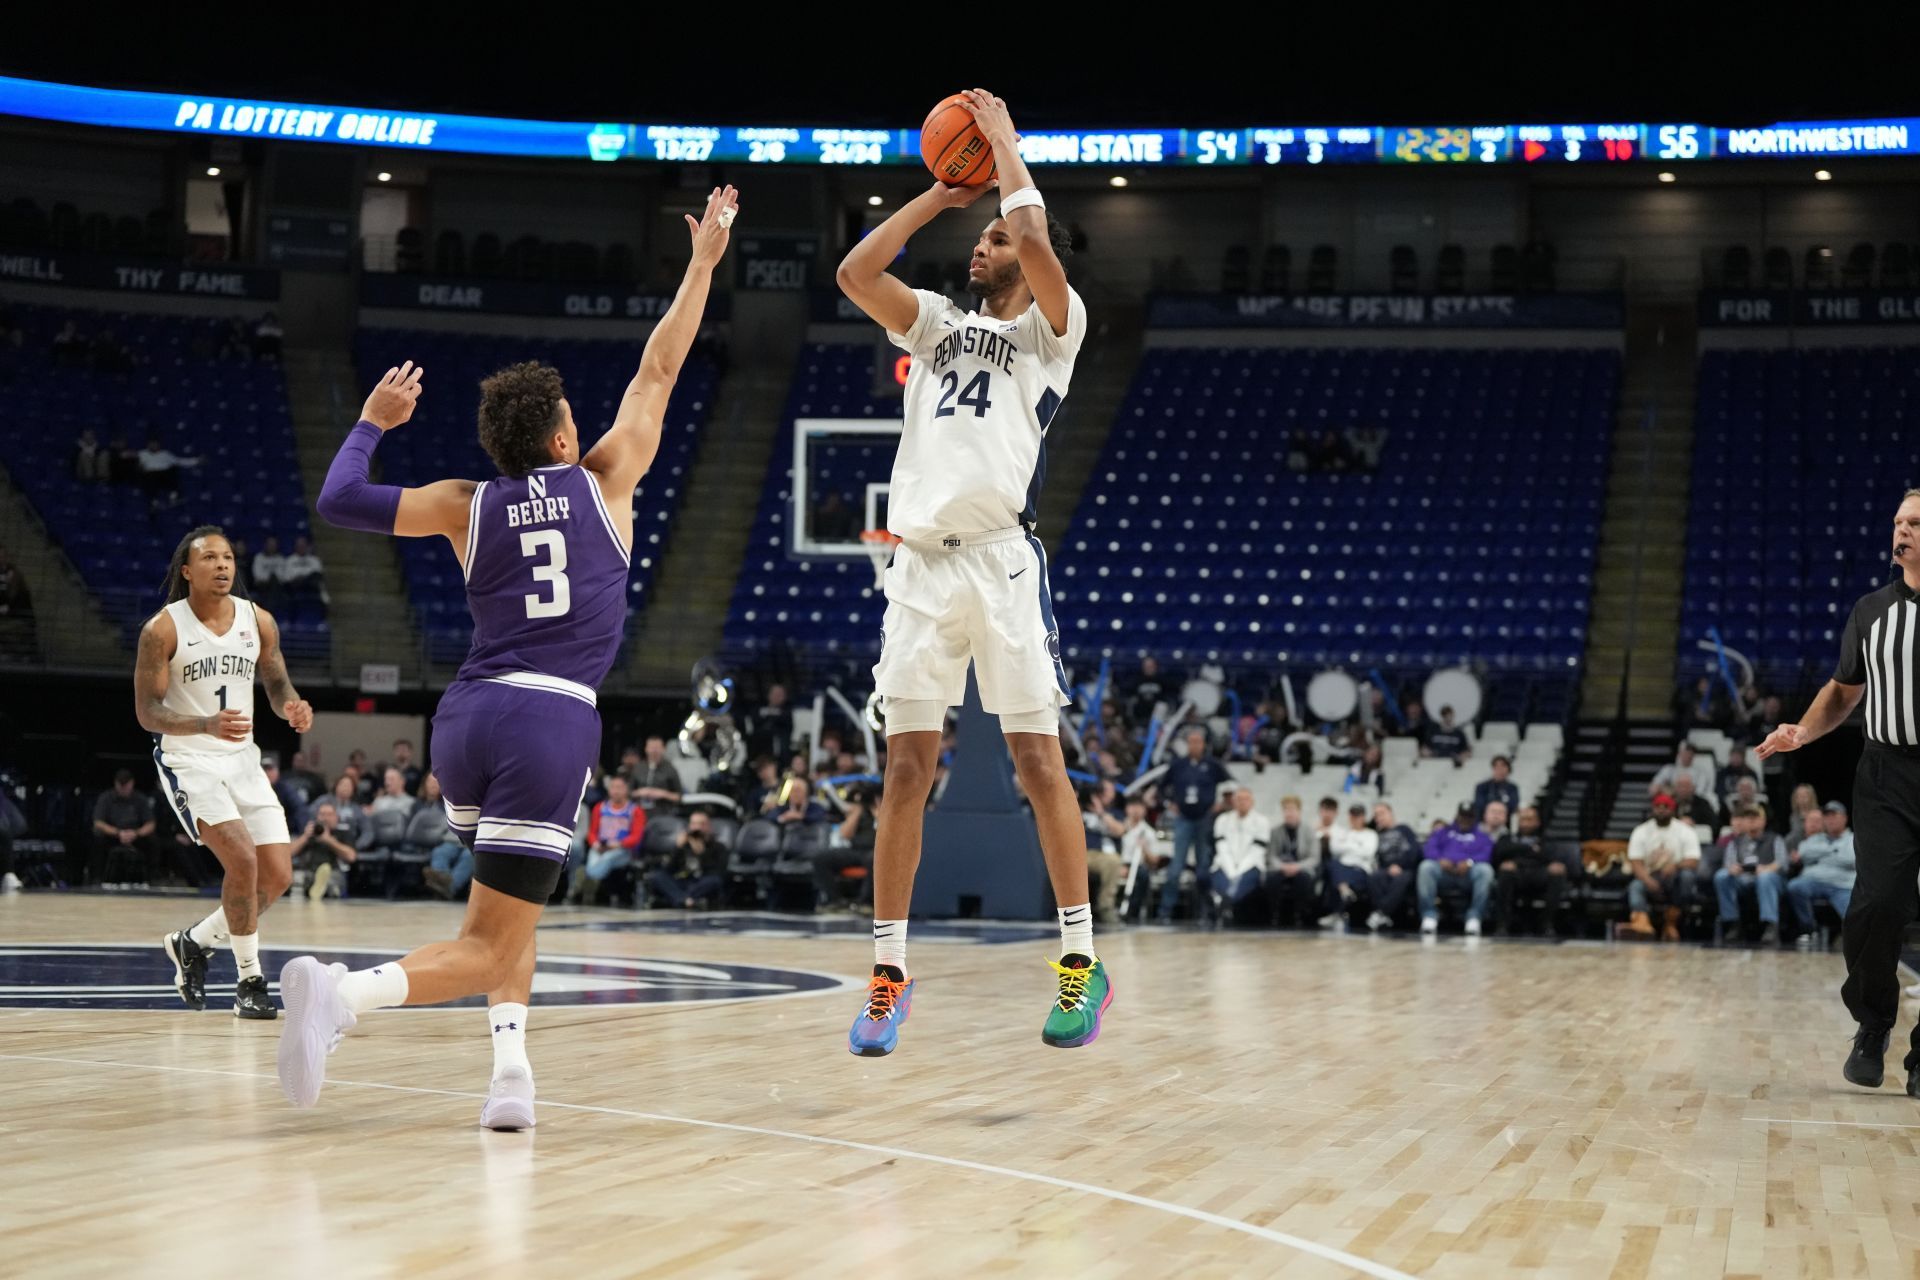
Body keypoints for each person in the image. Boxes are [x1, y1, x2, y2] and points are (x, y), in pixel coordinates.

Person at [275, 183, 737, 1126]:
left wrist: (371, 420)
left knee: (504, 912)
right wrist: (701, 265)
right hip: (550, 716)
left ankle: (511, 1074)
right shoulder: (607, 479)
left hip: (467, 719)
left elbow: (337, 499)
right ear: (567, 438)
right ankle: (344, 997)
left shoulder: (461, 500)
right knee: (491, 939)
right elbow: (658, 368)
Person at [837, 89, 1106, 1055]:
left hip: (1000, 566)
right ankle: (887, 975)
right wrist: (937, 197)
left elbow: (1037, 239)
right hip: (918, 571)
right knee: (905, 772)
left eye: (995, 235)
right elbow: (856, 270)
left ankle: (1081, 964)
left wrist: (1003, 148)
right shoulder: (938, 324)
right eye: (983, 236)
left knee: (1039, 764)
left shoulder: (1052, 333)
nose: (985, 245)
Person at [1758, 491, 1920, 1092]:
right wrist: (1802, 730)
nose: (1901, 530)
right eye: (1898, 522)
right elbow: (1843, 691)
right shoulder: (1871, 610)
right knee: (1876, 905)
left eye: (1915, 523)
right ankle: (1874, 1023)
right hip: (1886, 775)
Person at [140, 526, 312, 1019]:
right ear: (187, 571)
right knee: (242, 860)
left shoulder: (258, 620)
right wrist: (204, 723)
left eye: (229, 557)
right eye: (210, 558)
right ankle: (250, 982)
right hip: (188, 758)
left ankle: (192, 942)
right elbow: (147, 712)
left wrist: (292, 707)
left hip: (242, 759)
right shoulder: (162, 629)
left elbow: (276, 681)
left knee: (277, 876)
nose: (222, 565)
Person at [1154, 728, 1232, 924]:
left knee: (1203, 867)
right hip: (1183, 819)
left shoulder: (1213, 765)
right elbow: (1161, 788)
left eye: (1198, 742)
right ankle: (1165, 911)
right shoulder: (1178, 765)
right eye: (1191, 742)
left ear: (1204, 744)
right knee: (1176, 866)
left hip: (1204, 819)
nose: (1195, 745)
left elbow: (1231, 785)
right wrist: (1168, 804)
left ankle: (1205, 911)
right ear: (1187, 744)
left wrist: (1221, 804)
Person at [1621, 792, 1704, 941]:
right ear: (1653, 809)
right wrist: (1647, 880)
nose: (1661, 810)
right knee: (1635, 886)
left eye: (1665, 807)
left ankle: (1671, 923)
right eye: (1658, 807)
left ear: (1672, 810)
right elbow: (1636, 862)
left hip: (1675, 877)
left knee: (1687, 876)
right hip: (1651, 875)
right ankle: (1642, 925)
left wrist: (1676, 866)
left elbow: (1693, 860)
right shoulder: (1641, 831)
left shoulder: (1685, 831)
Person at [567, 774, 645, 906]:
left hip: (622, 850)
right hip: (601, 847)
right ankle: (587, 883)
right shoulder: (600, 808)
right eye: (613, 787)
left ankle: (583, 880)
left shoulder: (635, 810)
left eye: (619, 787)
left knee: (606, 859)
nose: (616, 791)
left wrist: (619, 844)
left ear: (627, 789)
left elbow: (637, 837)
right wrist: (596, 844)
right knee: (597, 857)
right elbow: (592, 832)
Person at [1712, 802, 1784, 944]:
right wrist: (1733, 869)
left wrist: (1766, 869)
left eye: (1755, 817)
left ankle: (1770, 925)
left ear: (1763, 821)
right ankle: (1732, 923)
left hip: (1769, 879)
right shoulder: (1735, 842)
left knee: (1765, 878)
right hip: (1743, 879)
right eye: (1747, 817)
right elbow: (1728, 864)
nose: (1751, 820)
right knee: (1721, 876)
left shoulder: (1775, 839)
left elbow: (1782, 863)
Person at [1417, 803, 1494, 935]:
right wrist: (1440, 859)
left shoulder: (1482, 836)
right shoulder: (1443, 832)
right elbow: (1429, 849)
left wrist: (1470, 862)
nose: (1465, 820)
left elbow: (1487, 854)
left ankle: (1474, 917)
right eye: (1462, 816)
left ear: (1474, 817)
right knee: (1426, 867)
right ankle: (1429, 915)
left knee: (1485, 870)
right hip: (1444, 873)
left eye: (1468, 817)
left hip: (1469, 874)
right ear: (1457, 816)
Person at [1492, 805, 1566, 937]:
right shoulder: (1507, 838)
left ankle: (1546, 923)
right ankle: (1503, 924)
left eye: (1530, 819)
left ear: (1537, 821)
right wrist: (1530, 850)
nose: (1526, 823)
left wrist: (1520, 852)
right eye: (1523, 819)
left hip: (1540, 873)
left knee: (1557, 871)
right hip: (1517, 874)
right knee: (1505, 870)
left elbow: (1552, 855)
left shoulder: (1547, 839)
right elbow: (1500, 853)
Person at [1789, 800, 1857, 944]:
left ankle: (1848, 938)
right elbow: (1805, 853)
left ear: (1844, 818)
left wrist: (1820, 856)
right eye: (1827, 816)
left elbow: (1851, 859)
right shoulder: (1815, 838)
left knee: (1852, 914)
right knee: (1795, 886)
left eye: (1834, 815)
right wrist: (1834, 851)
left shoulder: (1854, 839)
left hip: (1842, 885)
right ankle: (1809, 930)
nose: (1830, 819)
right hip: (1814, 881)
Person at [1208, 786, 1270, 925]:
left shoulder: (1261, 821)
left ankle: (1224, 905)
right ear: (1234, 801)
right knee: (1219, 878)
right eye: (1239, 799)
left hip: (1250, 866)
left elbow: (1256, 851)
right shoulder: (1222, 820)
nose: (1242, 802)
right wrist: (1231, 871)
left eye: (1246, 799)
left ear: (1252, 802)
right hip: (1225, 864)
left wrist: (1238, 871)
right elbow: (1221, 848)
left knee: (1242, 882)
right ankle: (1226, 906)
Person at [90, 769, 157, 887]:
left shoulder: (140, 799)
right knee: (97, 838)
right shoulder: (106, 798)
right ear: (115, 783)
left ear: (132, 783)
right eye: (120, 785)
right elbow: (98, 822)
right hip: (113, 836)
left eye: (126, 785)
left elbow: (150, 823)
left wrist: (136, 833)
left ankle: (151, 880)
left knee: (153, 841)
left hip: (136, 836)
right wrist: (118, 833)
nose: (123, 788)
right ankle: (97, 879)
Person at [648, 810, 727, 909]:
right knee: (657, 876)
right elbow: (668, 869)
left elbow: (718, 873)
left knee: (714, 881)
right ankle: (687, 901)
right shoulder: (684, 845)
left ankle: (679, 899)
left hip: (701, 882)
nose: (697, 827)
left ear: (709, 827)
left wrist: (702, 854)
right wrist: (678, 848)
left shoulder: (719, 847)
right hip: (684, 881)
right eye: (694, 824)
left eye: (702, 824)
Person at [1366, 802, 1422, 931]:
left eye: (1382, 813)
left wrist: (1400, 865)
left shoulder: (1404, 829)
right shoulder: (1377, 835)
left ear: (1391, 813)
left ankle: (1381, 912)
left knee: (1401, 879)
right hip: (1386, 869)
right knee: (1374, 877)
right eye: (1376, 815)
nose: (1378, 817)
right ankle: (1383, 915)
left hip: (1406, 868)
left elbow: (1414, 851)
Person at [1265, 794, 1319, 927]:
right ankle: (1274, 914)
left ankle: (1299, 915)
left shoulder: (1309, 831)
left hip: (1301, 867)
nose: (1289, 813)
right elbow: (1270, 855)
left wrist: (1297, 866)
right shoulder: (1275, 831)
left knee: (1303, 879)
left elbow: (1314, 857)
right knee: (1272, 879)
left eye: (1292, 809)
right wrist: (1282, 866)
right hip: (1281, 867)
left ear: (1299, 811)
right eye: (1286, 809)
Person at [1322, 802, 1379, 927]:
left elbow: (1368, 852)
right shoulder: (1343, 832)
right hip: (1342, 866)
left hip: (1360, 869)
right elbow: (1334, 849)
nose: (1355, 819)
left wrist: (1347, 846)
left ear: (1363, 817)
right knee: (1331, 864)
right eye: (1352, 816)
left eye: (1358, 816)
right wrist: (1357, 846)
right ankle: (1344, 891)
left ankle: (1338, 911)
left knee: (1336, 875)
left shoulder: (1371, 834)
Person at [290, 801, 359, 901]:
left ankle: (323, 889)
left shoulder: (343, 833)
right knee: (298, 877)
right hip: (309, 872)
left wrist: (328, 840)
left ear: (336, 818)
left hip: (333, 872)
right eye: (322, 814)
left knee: (333, 882)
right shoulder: (309, 834)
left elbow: (351, 856)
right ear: (317, 817)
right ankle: (316, 890)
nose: (325, 818)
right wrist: (305, 837)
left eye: (329, 815)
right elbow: (289, 853)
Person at [628, 735, 682, 814]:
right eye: (651, 747)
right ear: (646, 749)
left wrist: (663, 794)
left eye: (657, 747)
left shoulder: (670, 769)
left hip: (663, 813)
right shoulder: (638, 768)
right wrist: (640, 792)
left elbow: (679, 797)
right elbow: (628, 793)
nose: (654, 750)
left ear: (663, 749)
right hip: (639, 812)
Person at [1472, 756, 1520, 820]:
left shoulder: (1512, 788)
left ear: (1508, 769)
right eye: (1497, 767)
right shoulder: (1482, 787)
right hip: (1485, 821)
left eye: (1503, 767)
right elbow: (1479, 805)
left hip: (1505, 820)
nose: (1500, 770)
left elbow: (1513, 805)